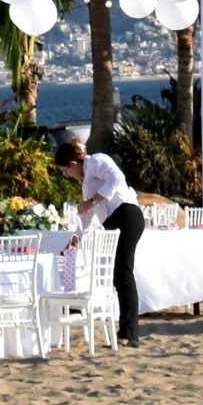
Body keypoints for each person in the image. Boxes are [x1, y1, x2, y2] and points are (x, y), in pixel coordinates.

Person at [58, 136, 146, 346]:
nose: (66, 175)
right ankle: (126, 332)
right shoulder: (86, 185)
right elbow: (88, 218)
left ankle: (129, 334)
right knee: (118, 275)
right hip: (113, 221)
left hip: (127, 214)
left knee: (123, 272)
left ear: (73, 163)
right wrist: (75, 240)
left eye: (65, 171)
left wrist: (91, 201)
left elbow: (117, 178)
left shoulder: (97, 161)